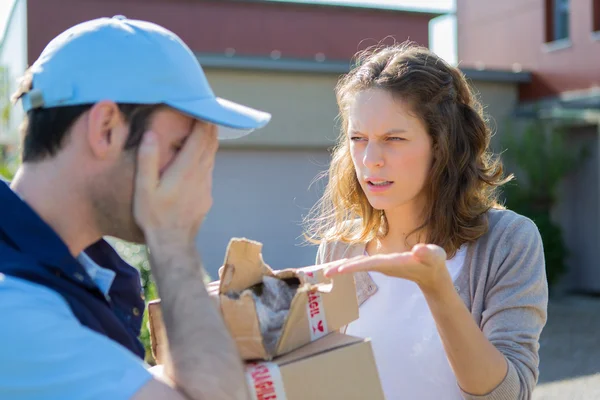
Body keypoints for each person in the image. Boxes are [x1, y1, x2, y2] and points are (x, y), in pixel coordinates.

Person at [0, 16, 272, 400]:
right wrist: (173, 239)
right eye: (180, 148)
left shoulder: (84, 274)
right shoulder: (16, 311)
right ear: (106, 129)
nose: (197, 184)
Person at [305, 42, 548, 400]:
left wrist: (437, 289)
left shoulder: (509, 241)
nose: (370, 159)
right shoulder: (338, 248)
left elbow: (507, 394)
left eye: (394, 139)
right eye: (358, 138)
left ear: (442, 145)